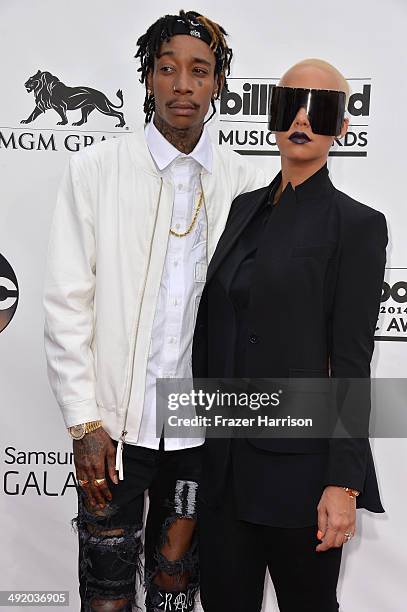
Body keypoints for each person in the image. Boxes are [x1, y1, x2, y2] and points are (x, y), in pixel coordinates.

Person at [43, 10, 264, 612]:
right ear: (147, 78)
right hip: (114, 427)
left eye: (199, 71)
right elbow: (67, 302)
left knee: (175, 583)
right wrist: (84, 421)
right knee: (107, 589)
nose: (183, 85)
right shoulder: (96, 170)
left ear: (218, 83)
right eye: (168, 69)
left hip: (199, 430)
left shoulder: (247, 183)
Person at [192, 59, 387, 612]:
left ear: (341, 128)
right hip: (225, 470)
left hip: (301, 477)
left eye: (320, 108)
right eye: (290, 105)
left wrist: (342, 485)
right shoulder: (242, 209)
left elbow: (352, 362)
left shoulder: (357, 225)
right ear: (273, 118)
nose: (302, 118)